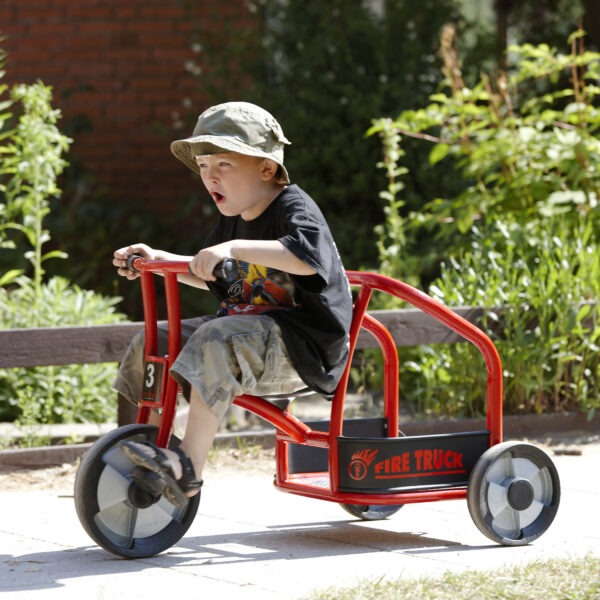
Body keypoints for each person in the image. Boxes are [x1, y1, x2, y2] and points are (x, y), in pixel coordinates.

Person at [112, 101, 353, 508]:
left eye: (222, 164)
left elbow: (306, 258)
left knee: (213, 339)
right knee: (154, 340)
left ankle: (186, 468)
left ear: (266, 168)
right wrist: (158, 259)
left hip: (301, 348)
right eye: (204, 165)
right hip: (246, 335)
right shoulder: (234, 220)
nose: (209, 176)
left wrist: (233, 248)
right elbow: (210, 270)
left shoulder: (294, 208)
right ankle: (149, 444)